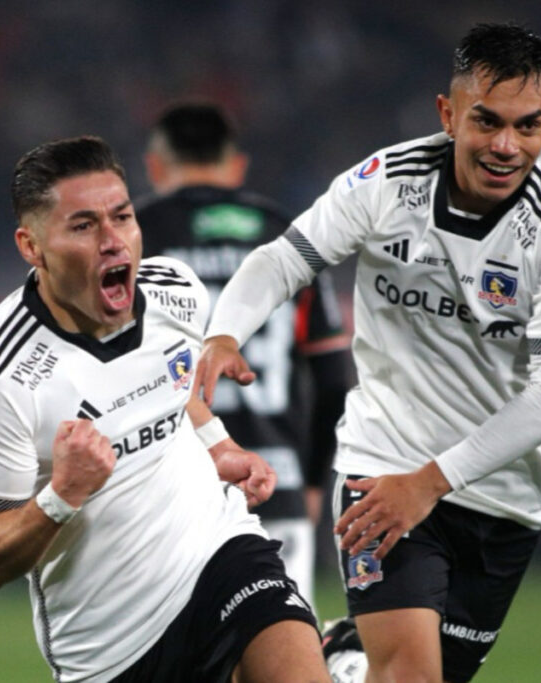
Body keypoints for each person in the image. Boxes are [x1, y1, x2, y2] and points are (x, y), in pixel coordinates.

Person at [195, 22, 541, 683]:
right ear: (448, 114)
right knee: (411, 677)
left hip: (503, 495)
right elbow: (285, 259)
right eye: (487, 122)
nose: (507, 146)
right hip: (384, 465)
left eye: (528, 126)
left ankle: (339, 651)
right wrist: (224, 332)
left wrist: (431, 484)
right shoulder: (388, 183)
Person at [0, 135, 329, 682]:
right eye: (83, 226)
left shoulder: (176, 292)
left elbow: (174, 387)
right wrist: (63, 493)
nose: (114, 242)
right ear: (31, 247)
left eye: (122, 217)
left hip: (217, 553)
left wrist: (218, 444)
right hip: (112, 644)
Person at [138, 102, 352, 605]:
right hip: (275, 479)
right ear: (236, 166)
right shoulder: (285, 237)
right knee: (282, 655)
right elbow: (334, 381)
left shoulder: (133, 236)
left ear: (154, 166)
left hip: (168, 483)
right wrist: (314, 484)